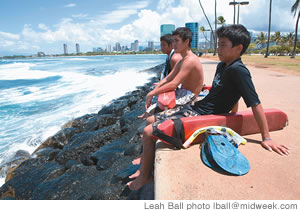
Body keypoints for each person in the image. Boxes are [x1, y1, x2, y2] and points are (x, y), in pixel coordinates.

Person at [127, 24, 289, 191]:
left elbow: (255, 102)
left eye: (223, 45)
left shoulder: (240, 71)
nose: (218, 49)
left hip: (200, 116)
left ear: (238, 48)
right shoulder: (222, 65)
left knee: (148, 132)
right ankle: (145, 163)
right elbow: (228, 92)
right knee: (149, 121)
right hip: (196, 109)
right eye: (218, 44)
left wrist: (266, 137)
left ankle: (145, 176)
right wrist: (231, 112)